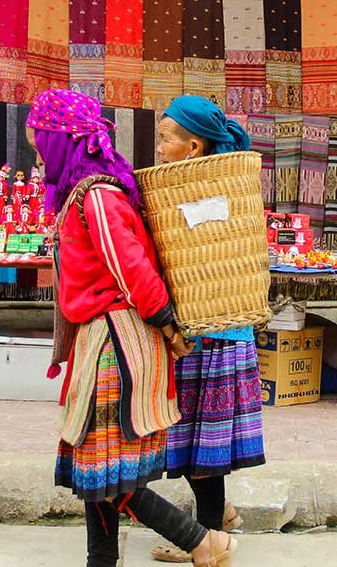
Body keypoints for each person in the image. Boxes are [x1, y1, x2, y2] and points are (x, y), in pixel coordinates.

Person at [27, 89, 238, 567]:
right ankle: (102, 560)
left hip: (115, 344)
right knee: (99, 470)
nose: (39, 159)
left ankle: (202, 542)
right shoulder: (87, 194)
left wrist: (165, 322)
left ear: (62, 142)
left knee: (105, 472)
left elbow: (132, 267)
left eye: (41, 146)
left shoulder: (98, 196)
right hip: (100, 341)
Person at [148, 96, 266, 564]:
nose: (157, 147)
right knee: (202, 440)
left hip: (212, 334)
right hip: (212, 331)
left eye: (164, 137)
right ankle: (222, 515)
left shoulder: (207, 190)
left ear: (192, 147)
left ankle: (210, 536)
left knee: (204, 446)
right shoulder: (211, 184)